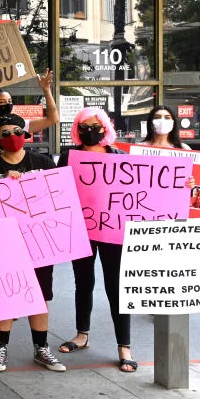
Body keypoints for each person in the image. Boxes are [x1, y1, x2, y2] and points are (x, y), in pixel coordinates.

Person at [0, 114, 66, 373]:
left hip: (40, 244)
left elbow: (60, 197)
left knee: (40, 296)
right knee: (7, 295)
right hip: (4, 246)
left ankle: (41, 348)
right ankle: (1, 348)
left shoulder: (43, 163)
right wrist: (1, 184)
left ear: (25, 134)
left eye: (16, 131)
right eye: (5, 133)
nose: (12, 137)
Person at [55, 107, 135, 371]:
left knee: (116, 286)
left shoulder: (119, 156)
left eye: (95, 126)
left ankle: (124, 345)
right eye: (84, 127)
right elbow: (57, 189)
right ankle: (82, 334)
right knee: (83, 282)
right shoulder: (69, 156)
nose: (90, 131)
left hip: (113, 230)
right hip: (81, 229)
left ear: (105, 128)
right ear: (77, 130)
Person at [0, 69, 58, 162]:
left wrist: (46, 90)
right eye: (2, 102)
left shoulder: (18, 125)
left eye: (9, 101)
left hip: (16, 170)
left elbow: (53, 119)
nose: (7, 104)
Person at [144, 104, 200, 174]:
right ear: (150, 122)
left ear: (173, 123)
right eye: (157, 117)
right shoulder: (139, 149)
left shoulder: (184, 149)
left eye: (167, 117)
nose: (162, 121)